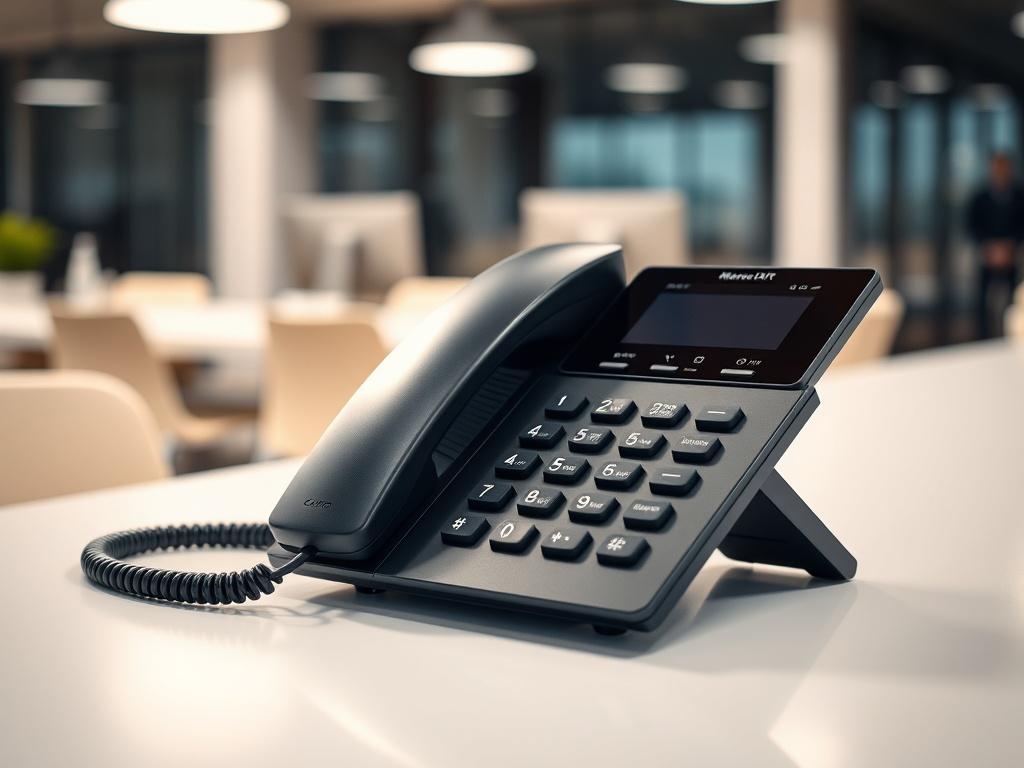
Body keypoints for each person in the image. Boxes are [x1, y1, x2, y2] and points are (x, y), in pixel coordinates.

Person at [967, 152, 1024, 338]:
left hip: (1011, 257)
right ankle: (982, 339)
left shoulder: (1018, 196)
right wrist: (988, 247)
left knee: (1012, 303)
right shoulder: (980, 197)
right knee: (982, 305)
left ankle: (1009, 339)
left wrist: (1010, 246)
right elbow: (972, 226)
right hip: (987, 257)